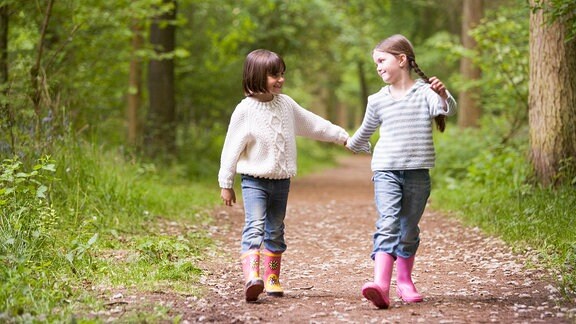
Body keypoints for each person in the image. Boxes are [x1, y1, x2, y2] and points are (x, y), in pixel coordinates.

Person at [218, 49, 349, 302]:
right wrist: (226, 183)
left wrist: (341, 135)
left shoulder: (286, 105)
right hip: (254, 181)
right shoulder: (245, 110)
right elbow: (230, 147)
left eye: (281, 74)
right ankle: (252, 277)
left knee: (275, 230)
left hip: (281, 182)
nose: (280, 79)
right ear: (255, 76)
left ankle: (272, 278)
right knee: (255, 226)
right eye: (273, 75)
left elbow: (312, 123)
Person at [346, 34, 457, 309]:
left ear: (402, 60)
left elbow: (448, 110)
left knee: (408, 229)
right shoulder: (377, 100)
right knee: (388, 222)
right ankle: (380, 285)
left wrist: (444, 94)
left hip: (418, 173)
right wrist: (348, 142)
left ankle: (405, 281)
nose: (379, 67)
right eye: (376, 64)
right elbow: (365, 132)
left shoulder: (425, 93)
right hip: (386, 171)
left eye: (382, 61)